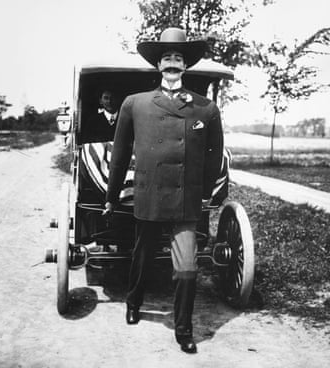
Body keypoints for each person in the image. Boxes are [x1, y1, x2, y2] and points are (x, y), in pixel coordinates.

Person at [104, 27, 224, 354]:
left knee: (187, 269)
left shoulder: (205, 109)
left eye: (178, 58)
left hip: (185, 199)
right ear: (159, 66)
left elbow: (214, 153)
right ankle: (134, 302)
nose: (172, 63)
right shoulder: (135, 104)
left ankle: (184, 329)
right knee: (141, 256)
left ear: (185, 66)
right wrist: (111, 197)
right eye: (167, 57)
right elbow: (119, 155)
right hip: (150, 193)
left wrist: (205, 194)